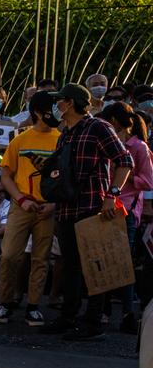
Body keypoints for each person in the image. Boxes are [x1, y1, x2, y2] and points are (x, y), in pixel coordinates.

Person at [41, 83, 134, 341]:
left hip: (93, 207)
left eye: (59, 101)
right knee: (70, 267)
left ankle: (94, 322)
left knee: (96, 266)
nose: (56, 106)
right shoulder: (65, 134)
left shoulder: (99, 127)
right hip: (67, 208)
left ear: (70, 103)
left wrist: (112, 195)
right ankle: (68, 318)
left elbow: (125, 161)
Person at [0, 90, 61, 326]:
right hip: (22, 206)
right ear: (36, 112)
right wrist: (21, 200)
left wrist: (53, 204)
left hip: (48, 210)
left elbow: (66, 179)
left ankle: (33, 305)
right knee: (10, 255)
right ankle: (5, 302)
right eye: (50, 108)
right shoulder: (20, 140)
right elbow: (6, 176)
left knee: (41, 259)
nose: (56, 112)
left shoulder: (61, 139)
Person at [99, 101, 153, 333]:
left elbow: (148, 181)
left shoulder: (138, 147)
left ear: (113, 121)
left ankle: (128, 314)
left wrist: (126, 177)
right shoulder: (107, 143)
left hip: (126, 209)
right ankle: (103, 310)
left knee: (122, 263)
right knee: (102, 260)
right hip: (103, 207)